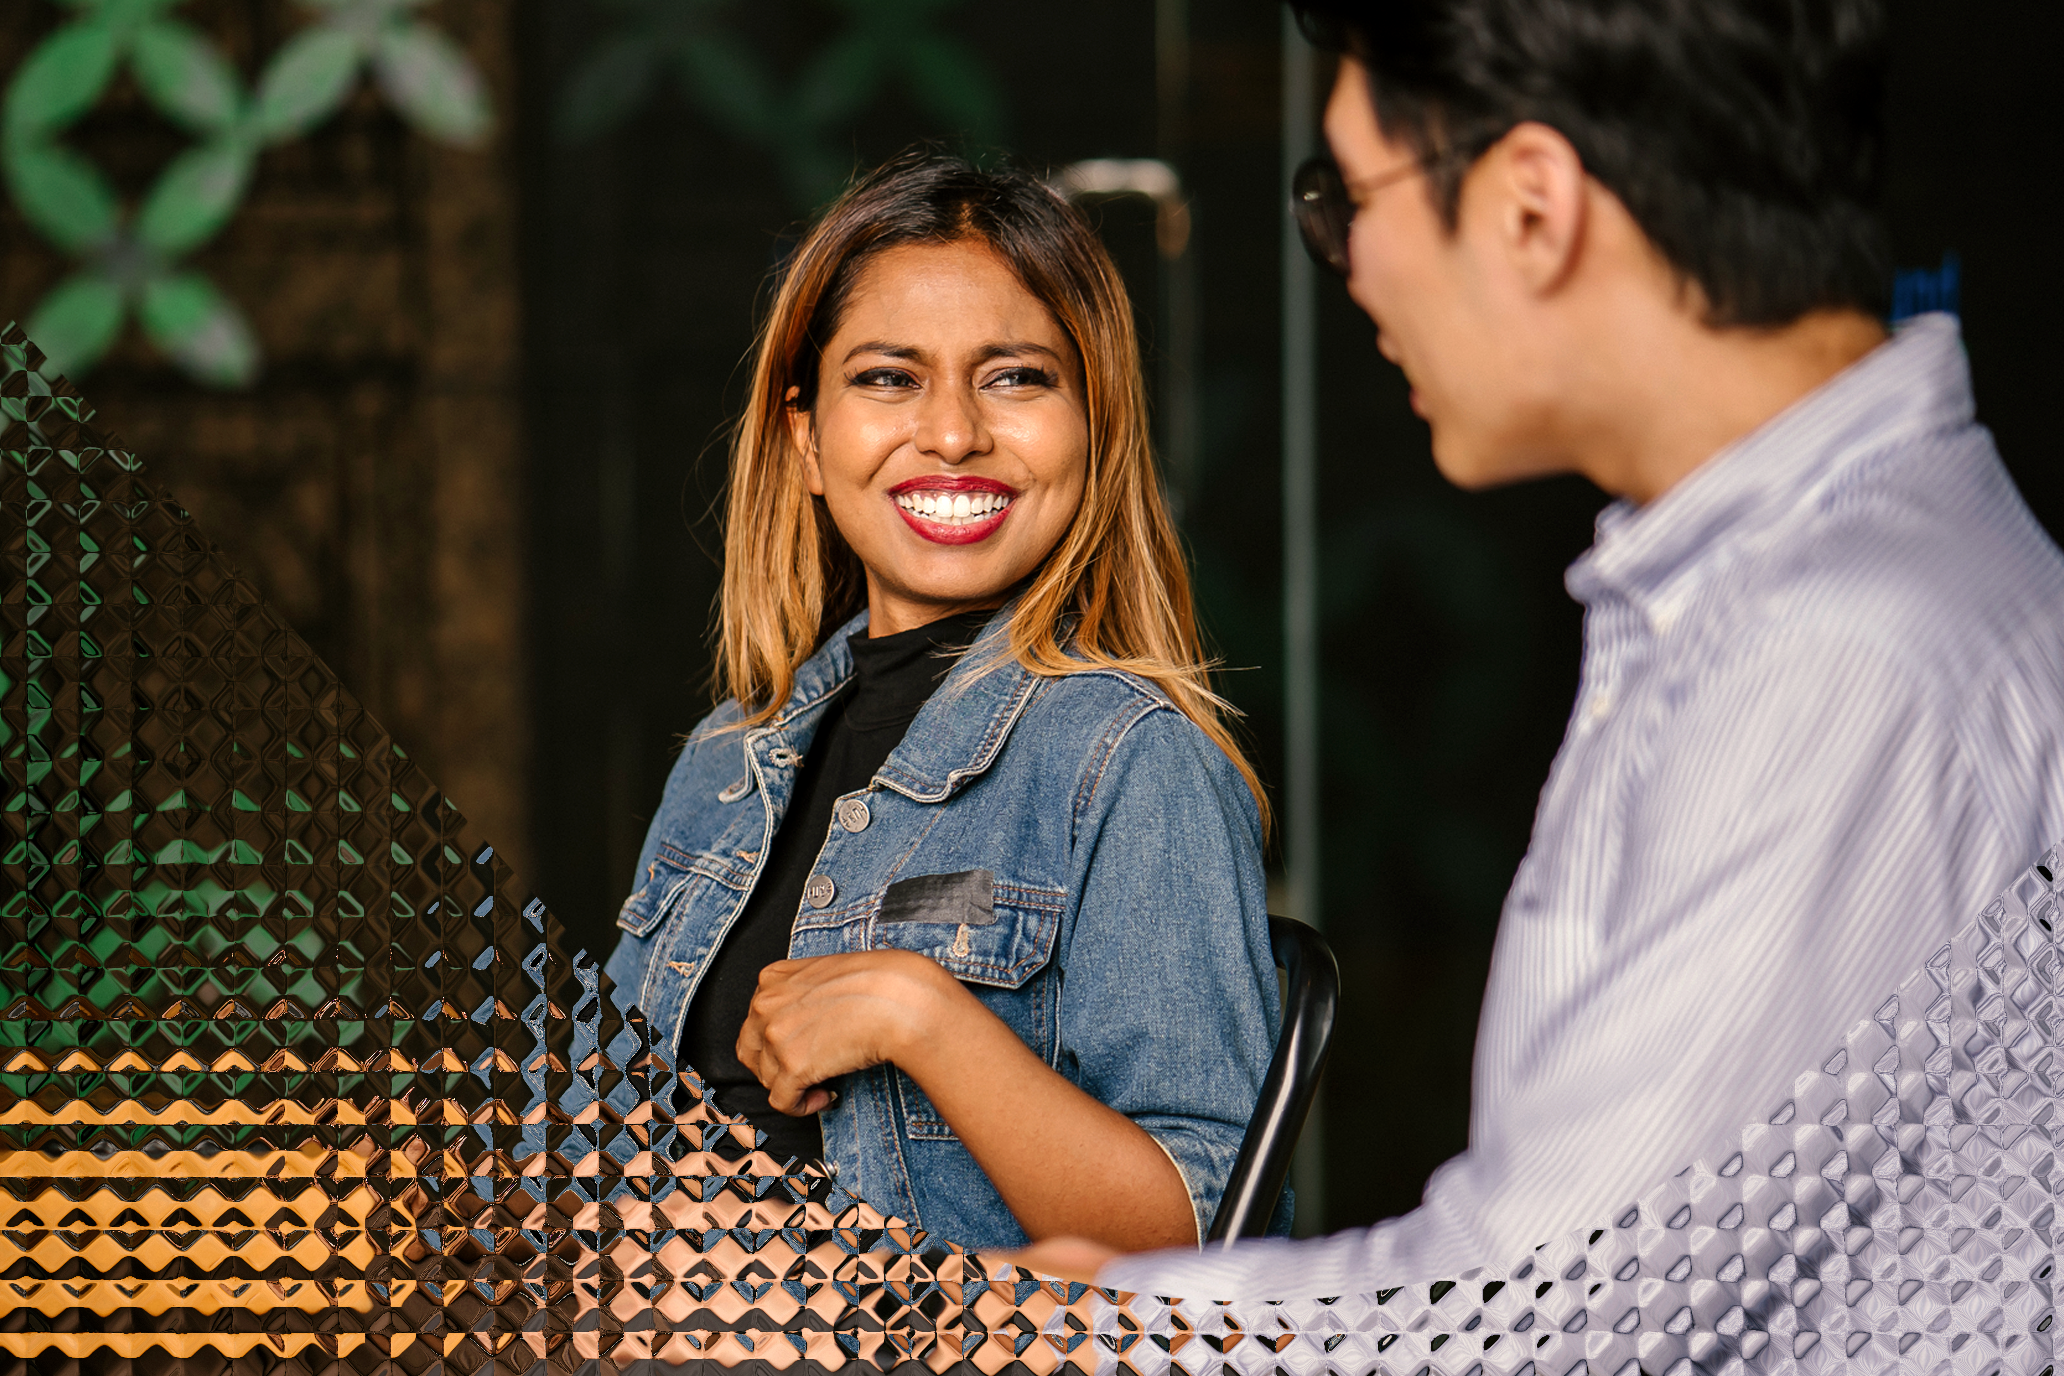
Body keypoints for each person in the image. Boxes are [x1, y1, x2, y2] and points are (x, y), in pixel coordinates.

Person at [1035, 0, 2064, 1297]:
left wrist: (1078, 1330)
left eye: (1350, 194)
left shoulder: (1840, 657)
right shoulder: (1822, 578)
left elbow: (1549, 1315)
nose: (1346, 264)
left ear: (1533, 206)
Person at [602, 151, 1282, 1255]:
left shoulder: (1129, 760)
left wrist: (921, 1018)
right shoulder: (729, 757)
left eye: (1015, 376)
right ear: (807, 440)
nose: (954, 430)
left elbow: (1196, 1246)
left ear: (1095, 429)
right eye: (887, 378)